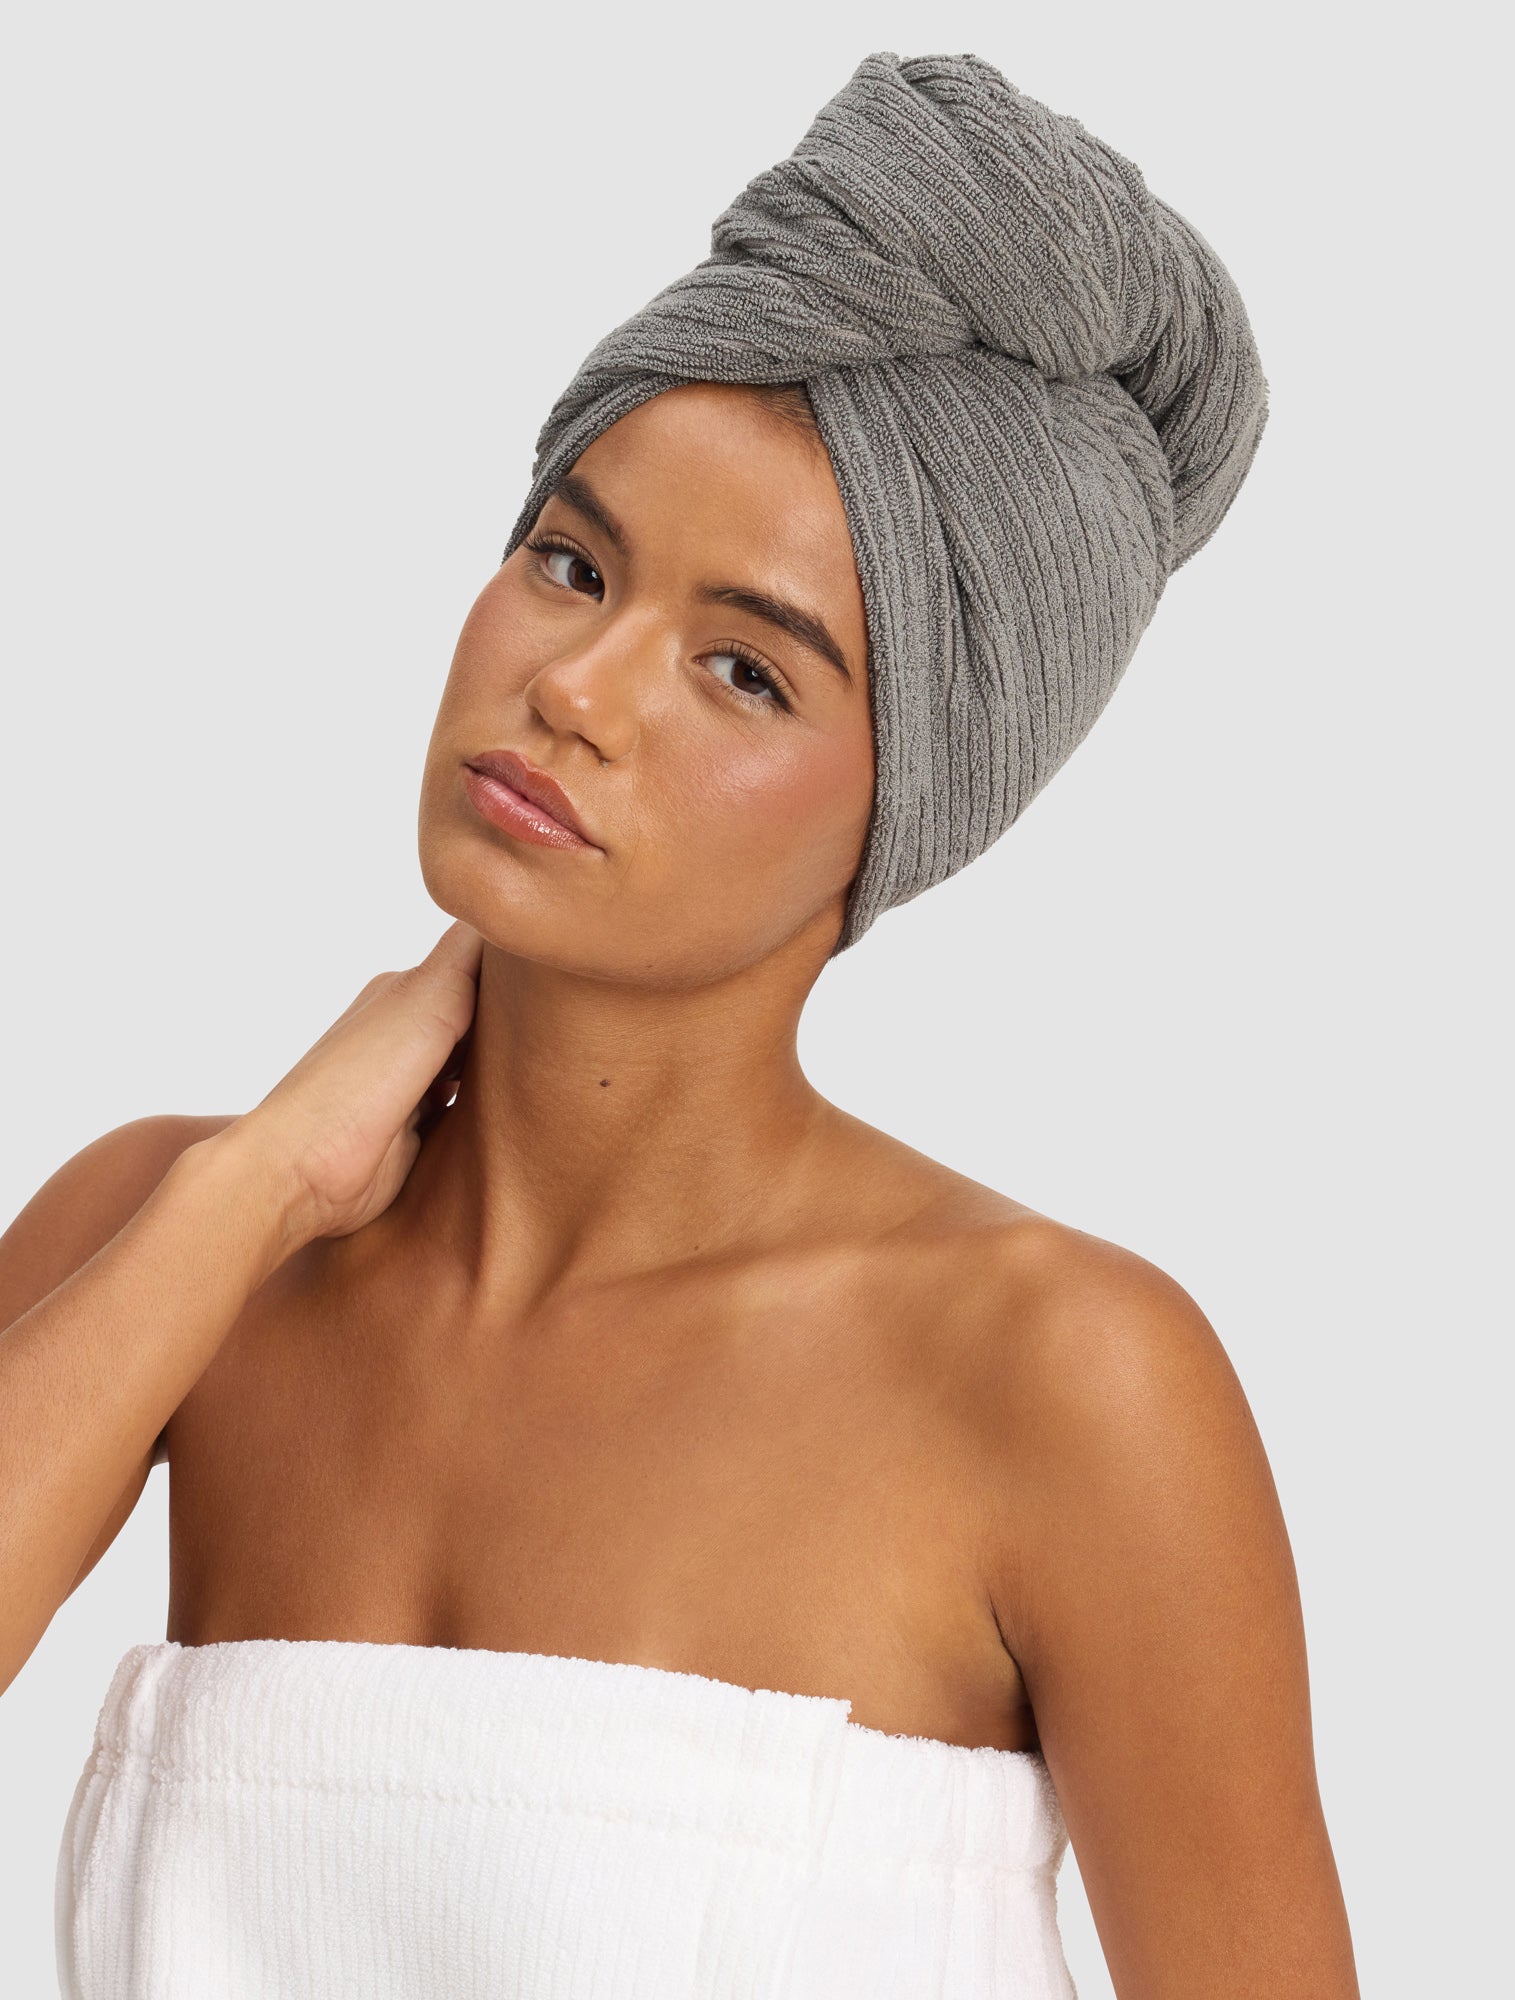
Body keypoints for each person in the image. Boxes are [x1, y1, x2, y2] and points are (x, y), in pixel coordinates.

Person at [3, 49, 1359, 2000]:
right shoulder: (169, 1237)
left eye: (744, 670)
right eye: (569, 563)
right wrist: (252, 1188)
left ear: (907, 808)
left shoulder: (1058, 1375)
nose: (577, 685)